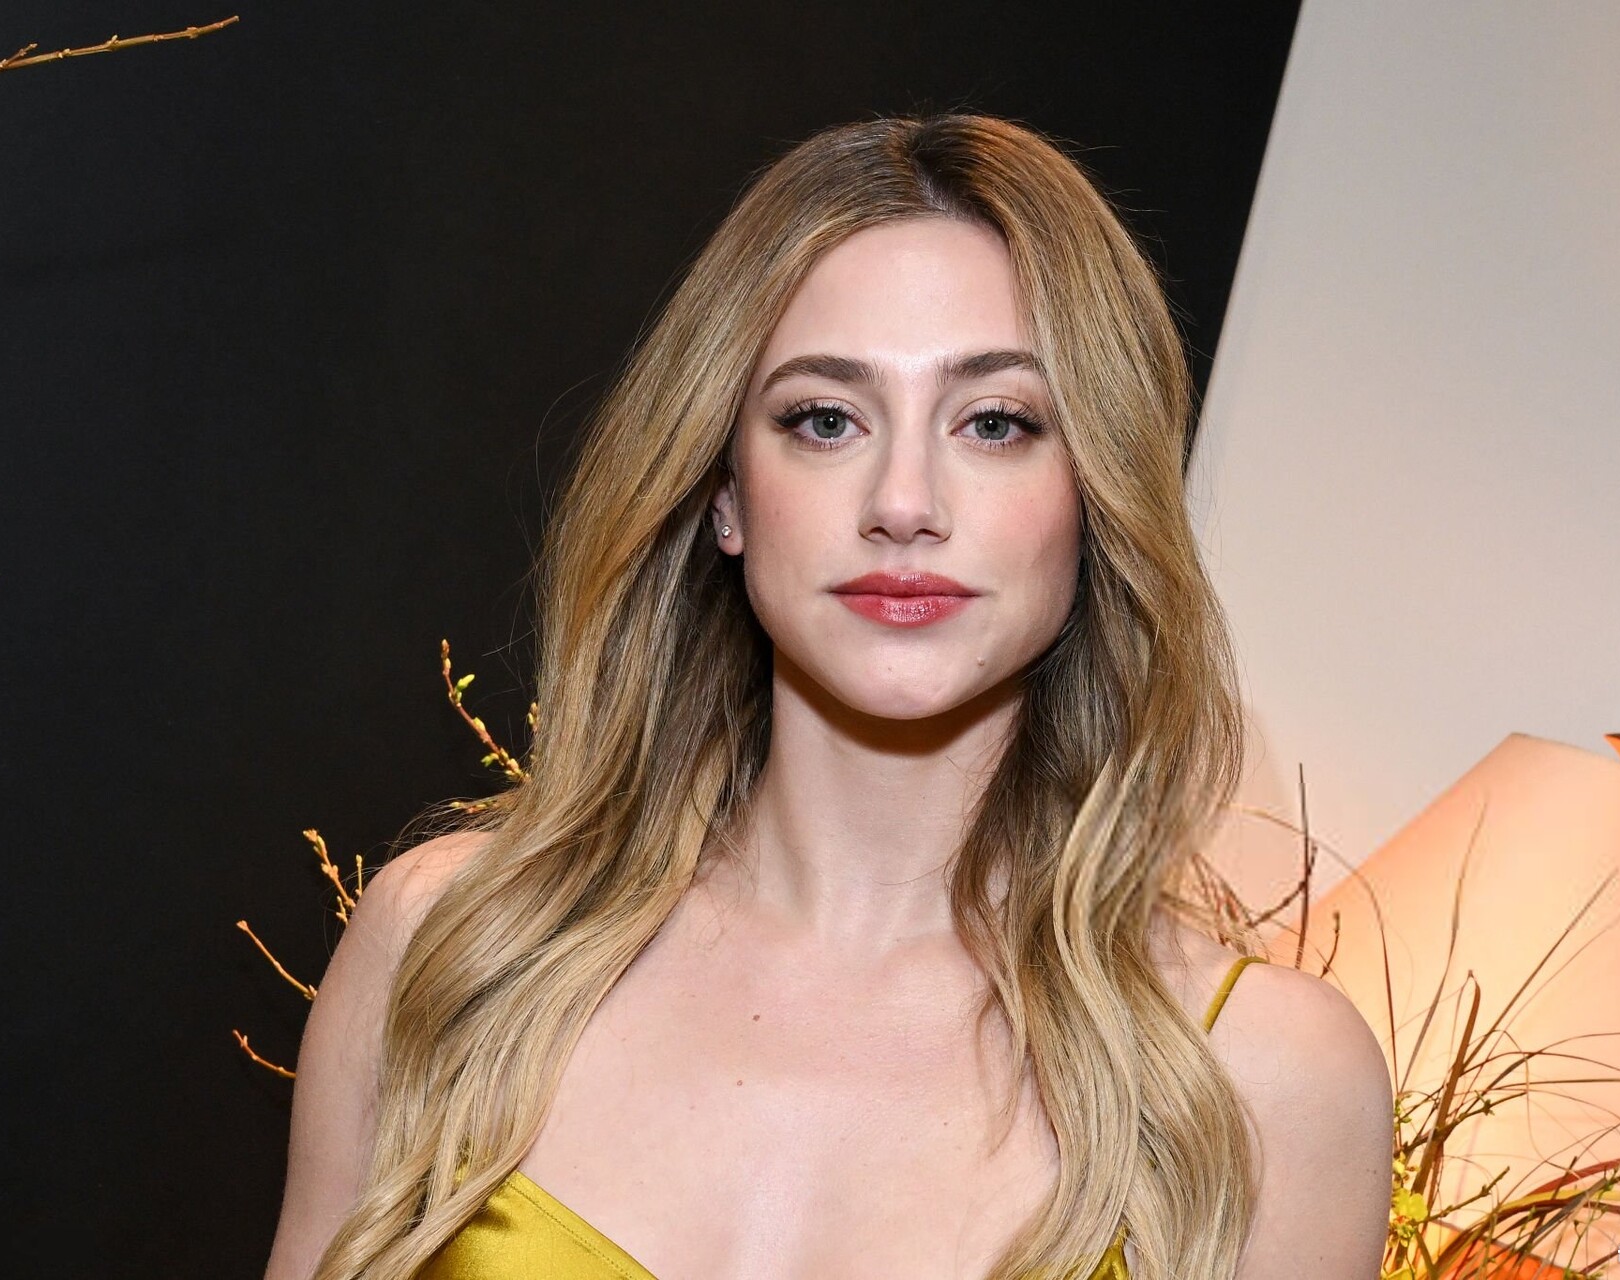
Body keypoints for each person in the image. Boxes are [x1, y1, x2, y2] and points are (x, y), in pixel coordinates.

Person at [262, 112, 1394, 1280]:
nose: (903, 502)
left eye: (995, 422)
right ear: (726, 493)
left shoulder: (1264, 1083)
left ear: (1096, 496)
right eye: (825, 420)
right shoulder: (451, 950)